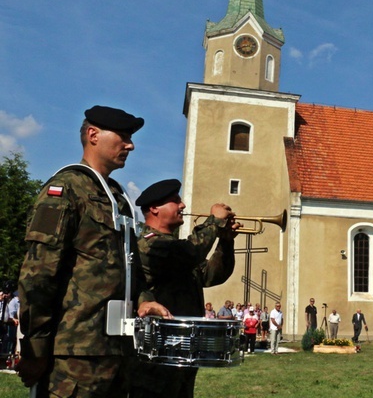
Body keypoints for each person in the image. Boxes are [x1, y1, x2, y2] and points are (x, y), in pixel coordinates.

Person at [16, 105, 170, 397]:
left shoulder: (118, 199)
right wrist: (36, 349)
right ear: (93, 135)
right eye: (123, 136)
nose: (131, 145)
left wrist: (144, 300)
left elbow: (129, 267)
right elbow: (38, 275)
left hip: (116, 351)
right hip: (74, 354)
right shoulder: (64, 190)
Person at [129, 178, 241, 398]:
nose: (183, 206)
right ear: (154, 208)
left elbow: (211, 275)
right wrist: (214, 221)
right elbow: (189, 253)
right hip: (158, 354)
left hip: (183, 350)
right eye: (175, 201)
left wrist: (226, 242)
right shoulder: (149, 243)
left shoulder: (176, 248)